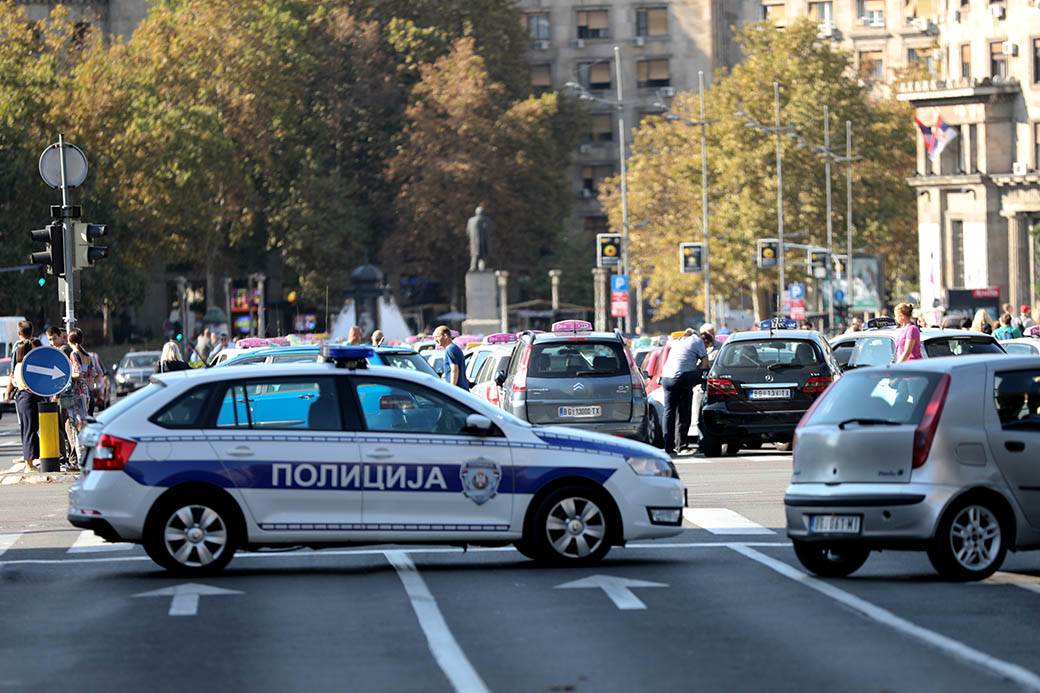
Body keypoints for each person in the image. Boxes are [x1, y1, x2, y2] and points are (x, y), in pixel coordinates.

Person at [660, 328, 708, 455]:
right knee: (684, 411)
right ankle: (682, 444)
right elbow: (705, 364)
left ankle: (668, 446)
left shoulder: (678, 341)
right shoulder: (697, 340)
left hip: (666, 378)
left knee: (669, 412)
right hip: (682, 377)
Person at [5, 322, 40, 471]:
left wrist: (8, 392)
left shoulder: (19, 360)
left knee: (29, 428)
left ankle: (31, 459)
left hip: (24, 397)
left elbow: (12, 376)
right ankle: (29, 462)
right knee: (29, 429)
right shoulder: (28, 362)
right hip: (27, 397)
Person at [65, 329, 94, 470]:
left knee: (74, 425)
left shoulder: (73, 354)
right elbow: (92, 374)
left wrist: (68, 377)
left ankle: (80, 459)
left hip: (75, 393)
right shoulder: (87, 355)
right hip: (86, 392)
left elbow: (78, 373)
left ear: (70, 341)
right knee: (84, 424)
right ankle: (88, 457)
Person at [433, 325, 469, 390]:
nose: (435, 340)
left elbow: (454, 369)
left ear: (445, 336)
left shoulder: (450, 349)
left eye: (437, 337)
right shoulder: (454, 348)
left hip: (458, 390)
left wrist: (452, 389)